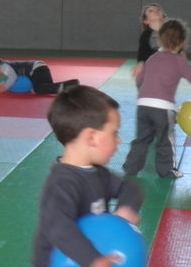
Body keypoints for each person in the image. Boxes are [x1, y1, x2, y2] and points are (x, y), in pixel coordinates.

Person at [33, 85, 143, 267]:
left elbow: (129, 188)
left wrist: (127, 208)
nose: (119, 140)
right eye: (114, 133)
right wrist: (93, 259)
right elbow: (59, 227)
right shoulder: (61, 183)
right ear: (91, 137)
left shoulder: (99, 173)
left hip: (98, 250)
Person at [123, 19, 191, 179]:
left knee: (141, 139)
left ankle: (131, 167)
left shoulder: (152, 59)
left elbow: (140, 80)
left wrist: (143, 94)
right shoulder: (180, 62)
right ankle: (167, 171)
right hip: (162, 108)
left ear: (159, 40)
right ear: (184, 43)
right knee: (165, 140)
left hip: (143, 106)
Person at [0, 56, 79, 94]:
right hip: (41, 68)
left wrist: (4, 88)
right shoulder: (6, 66)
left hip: (36, 69)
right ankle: (67, 86)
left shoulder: (5, 67)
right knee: (44, 87)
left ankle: (68, 85)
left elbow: (13, 77)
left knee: (37, 89)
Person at [132, 3, 167, 79]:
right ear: (146, 20)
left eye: (158, 10)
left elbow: (179, 49)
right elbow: (142, 53)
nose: (155, 11)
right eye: (151, 11)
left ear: (163, 17)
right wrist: (140, 64)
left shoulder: (170, 32)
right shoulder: (145, 35)